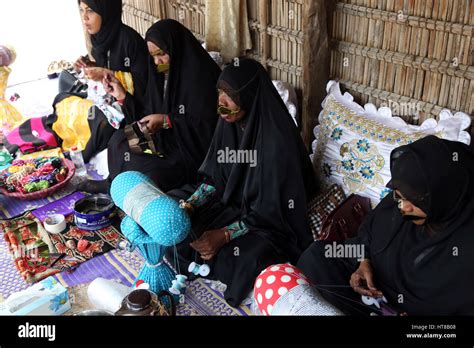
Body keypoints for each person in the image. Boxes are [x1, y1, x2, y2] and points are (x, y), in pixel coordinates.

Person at [166, 58, 318, 307]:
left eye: (230, 96)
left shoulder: (277, 143)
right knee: (174, 213)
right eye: (219, 93)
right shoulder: (229, 123)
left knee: (248, 258)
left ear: (249, 96)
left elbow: (273, 211)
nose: (221, 104)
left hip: (271, 219)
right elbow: (216, 178)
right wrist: (190, 205)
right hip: (233, 204)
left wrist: (226, 235)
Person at [297, 135, 474, 316]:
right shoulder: (400, 203)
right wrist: (363, 262)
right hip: (371, 299)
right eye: (399, 195)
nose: (403, 207)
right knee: (318, 255)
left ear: (446, 197)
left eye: (416, 200)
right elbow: (365, 237)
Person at [97, 19, 221, 193]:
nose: (156, 61)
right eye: (152, 56)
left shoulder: (201, 77)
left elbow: (207, 127)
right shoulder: (160, 74)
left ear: (175, 48)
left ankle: (125, 191)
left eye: (161, 54)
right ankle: (114, 185)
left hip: (188, 153)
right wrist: (122, 96)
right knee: (118, 142)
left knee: (149, 172)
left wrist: (167, 121)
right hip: (163, 140)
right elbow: (146, 112)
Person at [74, 0, 153, 162]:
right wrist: (87, 65)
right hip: (110, 99)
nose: (84, 18)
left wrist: (106, 73)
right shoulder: (99, 38)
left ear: (106, 10)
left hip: (132, 105)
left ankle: (81, 159)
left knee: (100, 120)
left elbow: (144, 83)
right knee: (67, 97)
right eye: (82, 11)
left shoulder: (130, 41)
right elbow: (105, 64)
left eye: (90, 11)